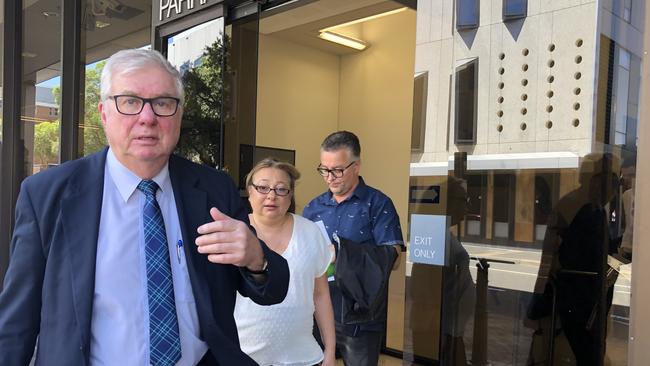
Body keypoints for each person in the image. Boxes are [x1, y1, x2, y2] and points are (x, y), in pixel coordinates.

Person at [0, 49, 289, 366]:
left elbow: (273, 290)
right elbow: (17, 322)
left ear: (178, 116)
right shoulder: (47, 195)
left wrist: (256, 258)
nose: (147, 118)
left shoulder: (214, 190)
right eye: (130, 101)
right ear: (104, 113)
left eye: (163, 103)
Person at [303, 131, 404, 366]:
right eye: (324, 170)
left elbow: (395, 258)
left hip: (361, 315)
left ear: (356, 166)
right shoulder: (313, 208)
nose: (330, 177)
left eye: (337, 170)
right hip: (317, 311)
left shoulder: (378, 204)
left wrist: (343, 253)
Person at [234, 158, 336, 366]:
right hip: (242, 356)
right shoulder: (235, 232)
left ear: (290, 196)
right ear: (249, 191)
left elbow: (321, 294)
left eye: (281, 189)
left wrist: (331, 350)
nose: (271, 195)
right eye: (262, 187)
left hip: (302, 358)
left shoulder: (310, 232)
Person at [529, 153, 620, 366]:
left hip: (579, 297)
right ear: (595, 181)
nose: (611, 193)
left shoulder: (592, 207)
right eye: (610, 185)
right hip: (577, 298)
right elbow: (566, 255)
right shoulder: (580, 207)